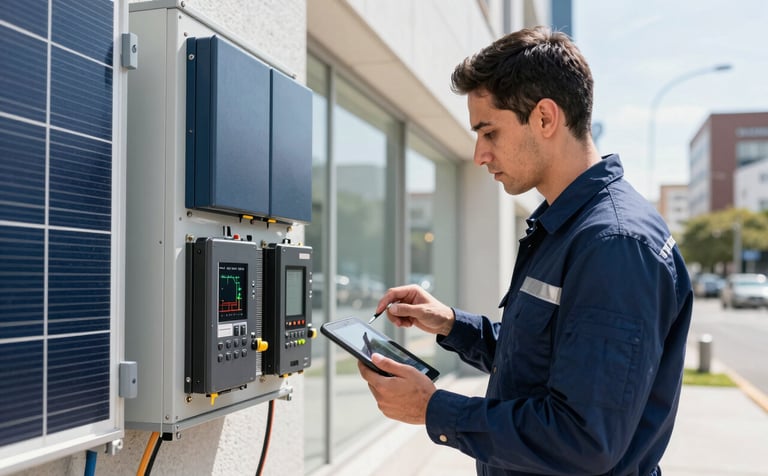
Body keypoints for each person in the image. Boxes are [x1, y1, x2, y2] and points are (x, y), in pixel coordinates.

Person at [357, 25, 693, 476]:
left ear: (545, 118)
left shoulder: (614, 246)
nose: (479, 154)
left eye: (489, 132)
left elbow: (583, 439)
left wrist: (433, 409)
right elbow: (548, 362)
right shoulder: (566, 225)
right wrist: (454, 325)